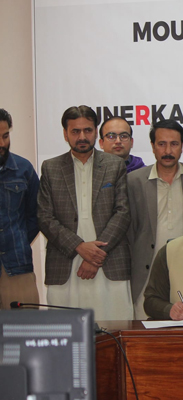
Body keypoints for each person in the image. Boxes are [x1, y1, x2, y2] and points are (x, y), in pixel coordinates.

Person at [37, 105, 133, 320]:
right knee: (66, 337)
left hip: (109, 263)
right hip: (66, 263)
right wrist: (79, 247)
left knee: (115, 335)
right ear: (65, 134)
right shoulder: (50, 168)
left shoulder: (114, 165)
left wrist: (94, 257)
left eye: (88, 130)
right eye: (75, 131)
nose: (82, 136)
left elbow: (123, 213)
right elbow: (44, 217)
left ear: (95, 131)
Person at [127, 119, 183, 319]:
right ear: (153, 147)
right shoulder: (134, 181)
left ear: (182, 146)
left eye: (174, 144)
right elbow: (129, 233)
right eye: (161, 144)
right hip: (147, 273)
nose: (168, 150)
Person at [0, 108, 40, 309]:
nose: (2, 143)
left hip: (17, 268)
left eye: (5, 136)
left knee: (25, 332)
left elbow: (36, 215)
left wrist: (18, 240)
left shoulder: (24, 169)